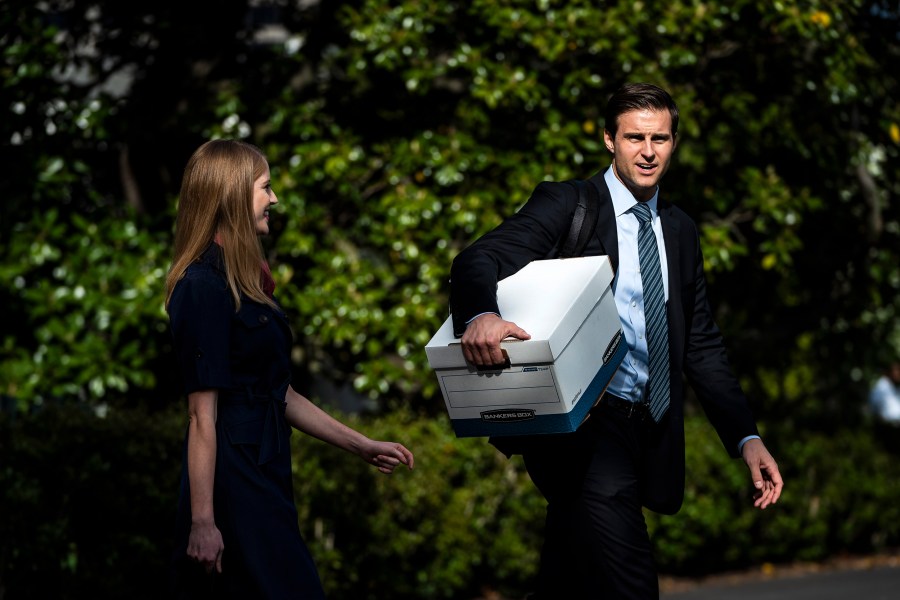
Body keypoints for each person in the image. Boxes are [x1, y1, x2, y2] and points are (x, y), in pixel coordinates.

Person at [450, 83, 783, 599]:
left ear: (673, 142)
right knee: (632, 583)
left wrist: (746, 437)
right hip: (584, 424)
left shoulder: (681, 230)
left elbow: (701, 345)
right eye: (634, 137)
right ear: (609, 139)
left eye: (660, 138)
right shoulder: (569, 203)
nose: (648, 151)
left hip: (645, 427)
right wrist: (481, 315)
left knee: (568, 578)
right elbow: (479, 258)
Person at [164, 139, 414, 599]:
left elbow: (280, 393)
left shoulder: (247, 281)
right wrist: (203, 521)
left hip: (267, 468)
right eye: (265, 187)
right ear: (233, 195)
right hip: (232, 481)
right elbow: (202, 416)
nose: (274, 199)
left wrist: (361, 445)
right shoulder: (201, 285)